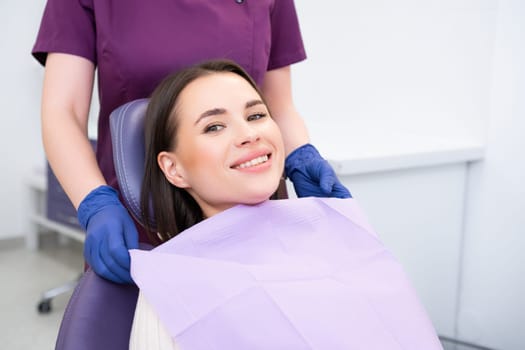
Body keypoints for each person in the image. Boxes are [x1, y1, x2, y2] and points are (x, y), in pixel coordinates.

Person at [128, 59, 442, 349]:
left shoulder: (337, 236)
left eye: (256, 115)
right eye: (214, 126)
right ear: (174, 168)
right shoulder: (170, 286)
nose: (249, 134)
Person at [32, 0, 350, 284]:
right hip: (142, 219)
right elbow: (63, 111)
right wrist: (95, 202)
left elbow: (278, 106)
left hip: (254, 219)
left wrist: (301, 156)